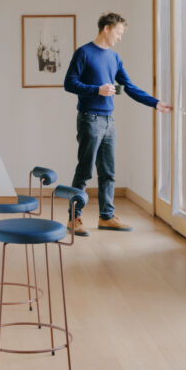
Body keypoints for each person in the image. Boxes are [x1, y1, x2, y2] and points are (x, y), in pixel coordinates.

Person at [63, 12, 172, 235]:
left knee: (108, 172)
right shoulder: (84, 53)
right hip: (89, 119)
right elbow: (69, 83)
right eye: (119, 32)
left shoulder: (114, 57)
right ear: (107, 28)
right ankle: (74, 218)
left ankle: (107, 217)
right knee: (84, 172)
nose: (120, 37)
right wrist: (97, 90)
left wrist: (155, 103)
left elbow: (129, 87)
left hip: (109, 121)